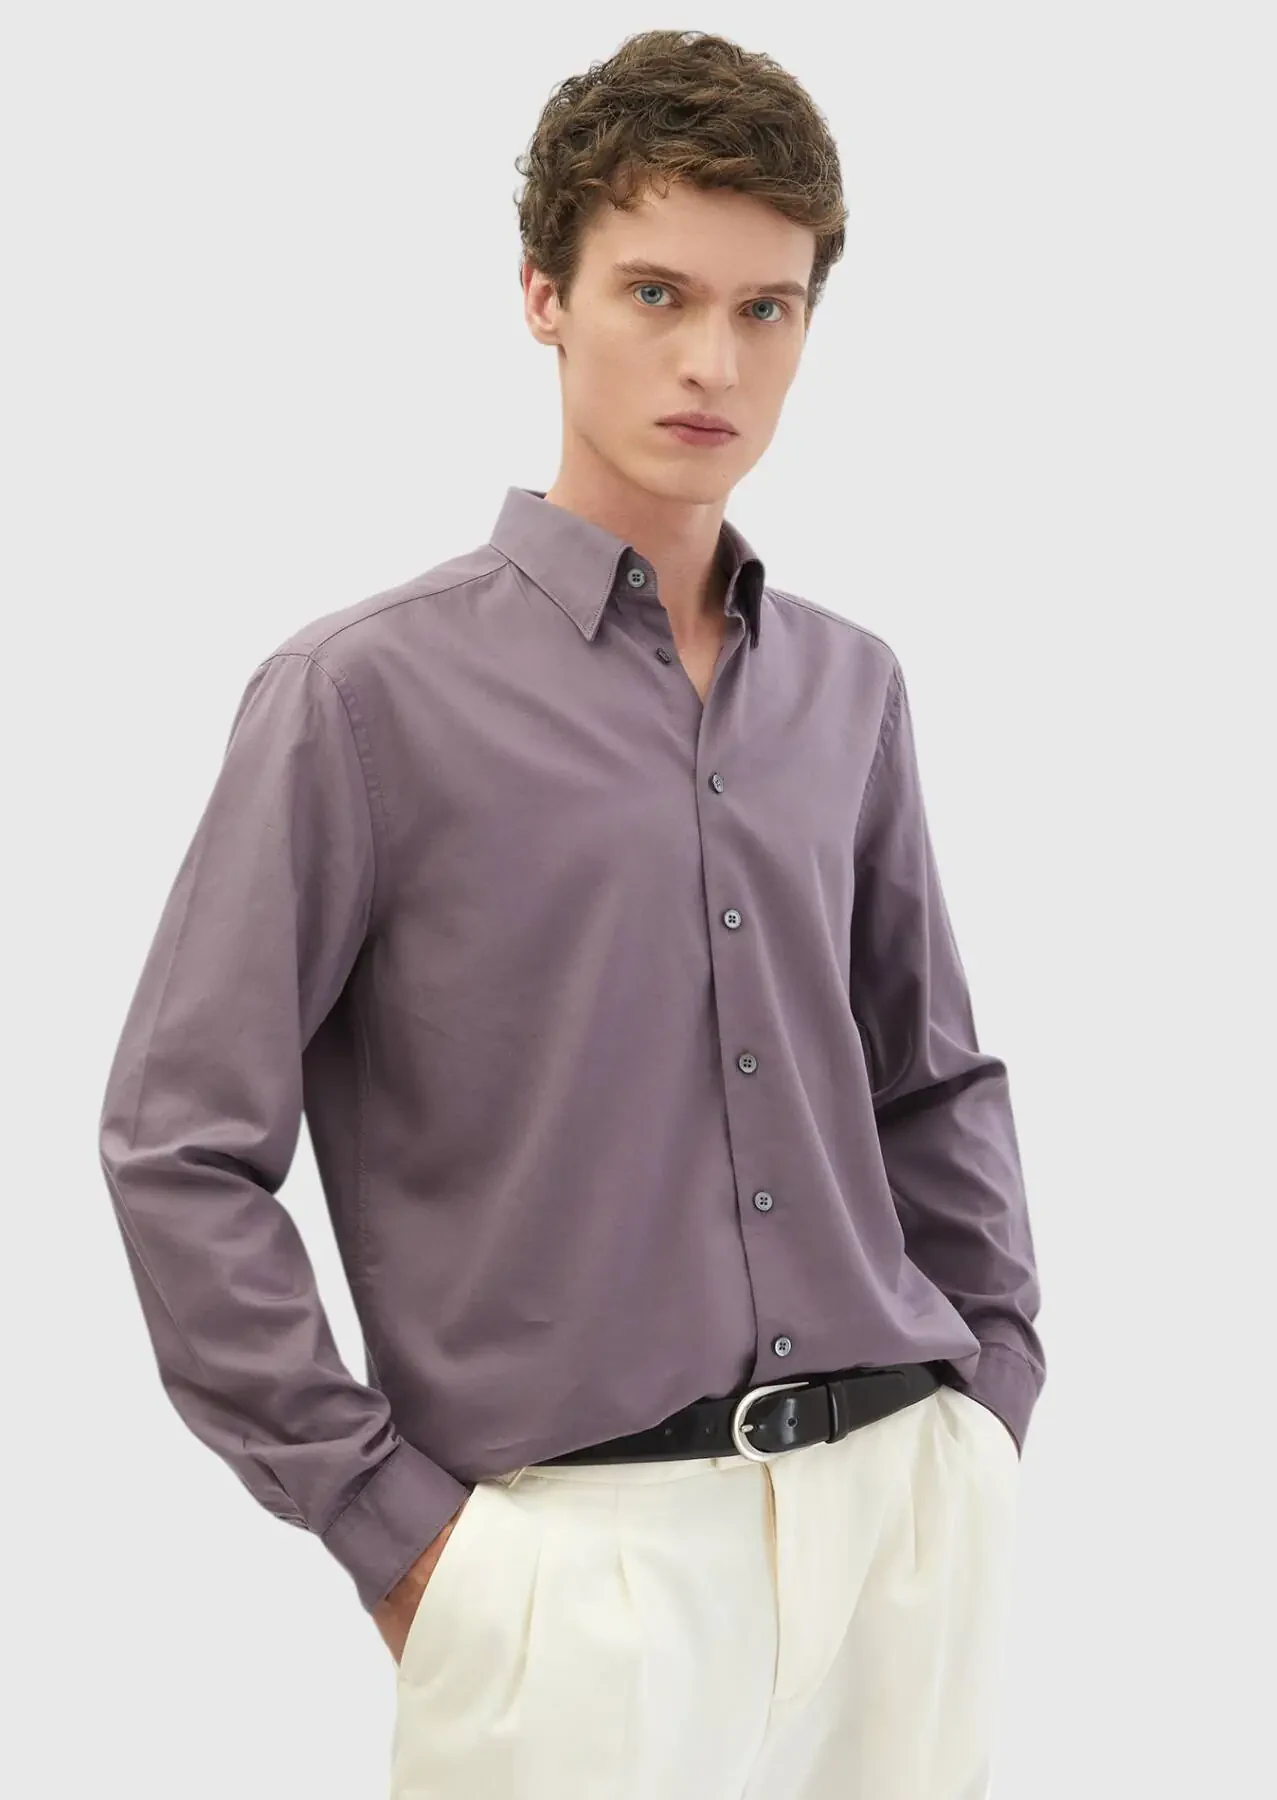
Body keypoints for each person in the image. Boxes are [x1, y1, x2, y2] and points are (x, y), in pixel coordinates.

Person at [98, 26, 1046, 1799]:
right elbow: (178, 1147)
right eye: (657, 293)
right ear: (544, 294)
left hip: (899, 1528)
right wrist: (397, 1534)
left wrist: (988, 1401)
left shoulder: (850, 688)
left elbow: (931, 1075)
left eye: (766, 309)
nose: (712, 361)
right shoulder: (359, 699)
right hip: (573, 1573)